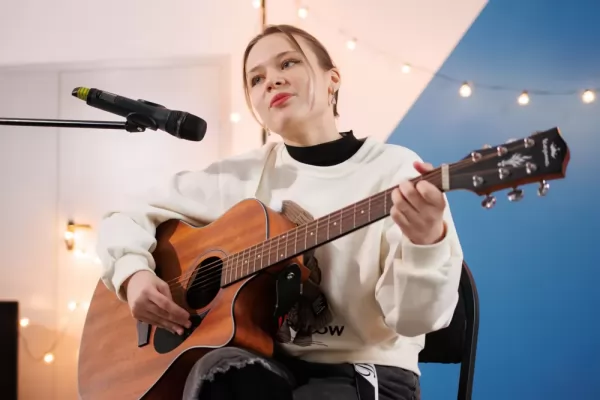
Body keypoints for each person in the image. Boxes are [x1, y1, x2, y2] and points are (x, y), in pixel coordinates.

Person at [96, 24, 463, 400]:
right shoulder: (241, 175)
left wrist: (425, 244)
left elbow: (414, 320)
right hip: (269, 368)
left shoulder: (395, 171)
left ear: (332, 80)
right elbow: (125, 215)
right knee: (217, 372)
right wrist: (133, 274)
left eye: (288, 63)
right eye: (256, 79)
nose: (271, 80)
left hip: (365, 373)